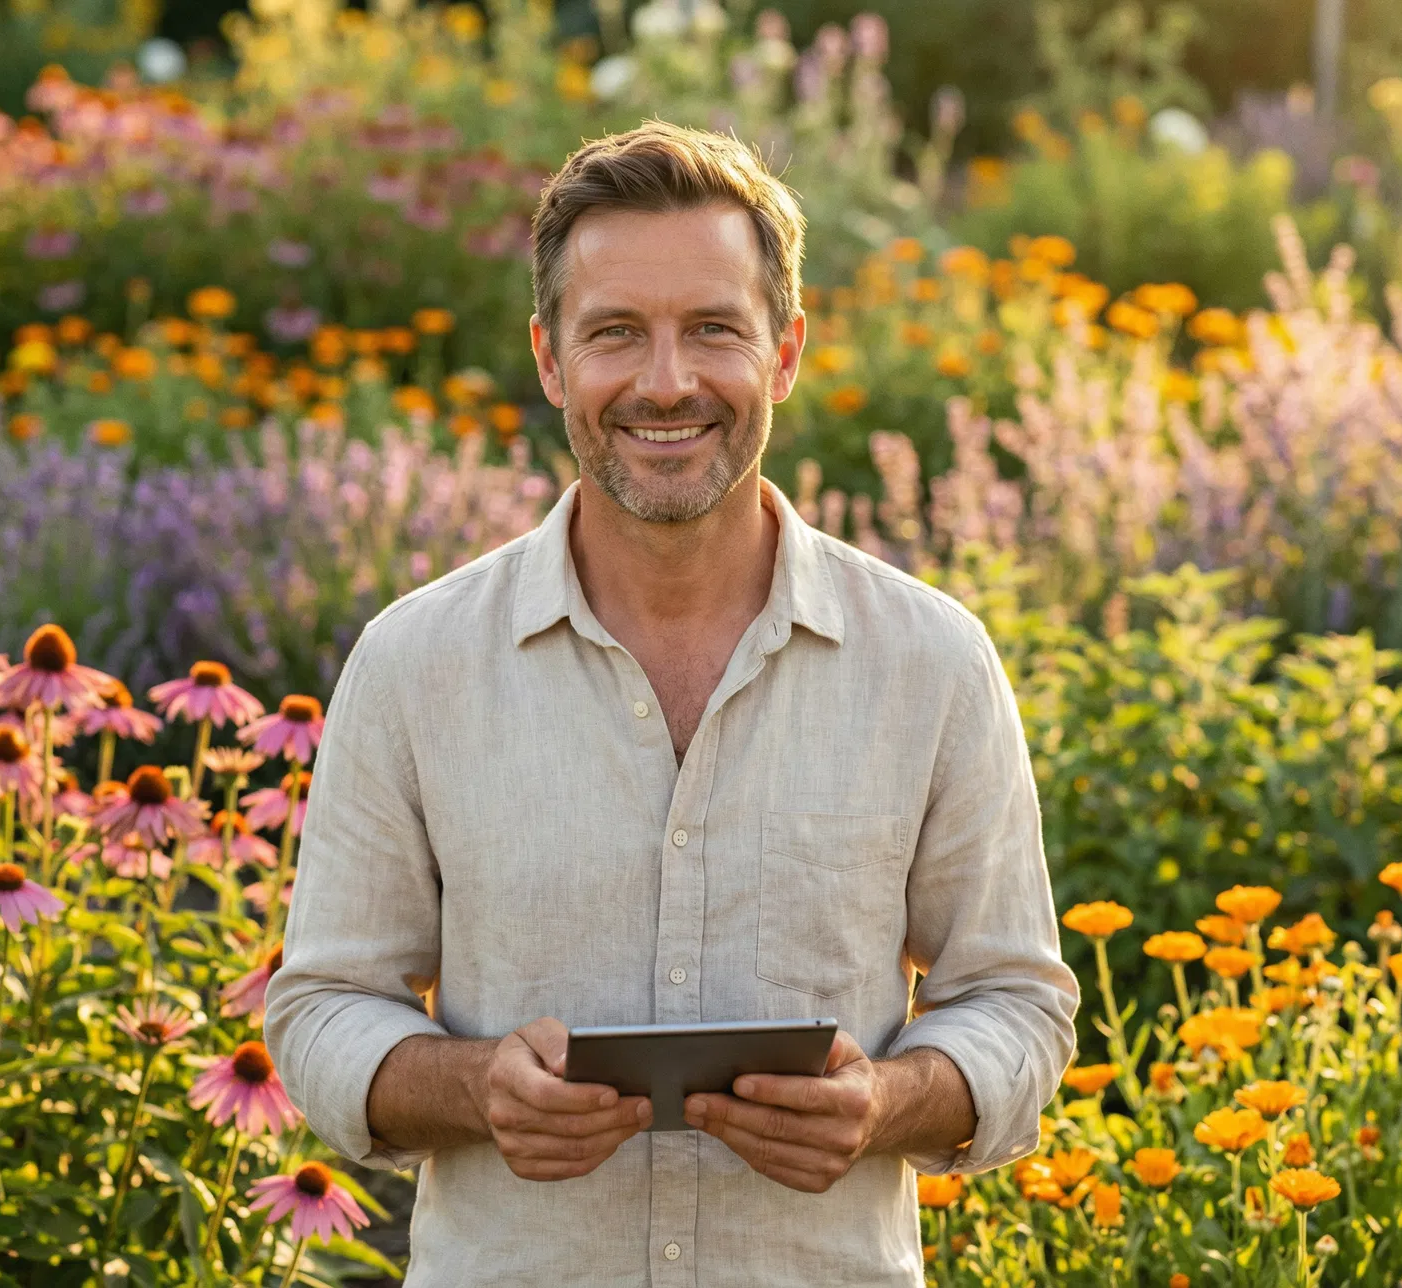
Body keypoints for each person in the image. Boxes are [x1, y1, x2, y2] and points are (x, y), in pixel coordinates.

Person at [267, 119, 1079, 1286]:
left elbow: (1016, 1000)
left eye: (713, 330)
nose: (665, 383)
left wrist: (888, 1101)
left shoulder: (932, 663)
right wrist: (477, 1087)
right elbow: (324, 1006)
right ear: (550, 360)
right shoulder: (416, 664)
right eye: (615, 335)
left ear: (786, 351)